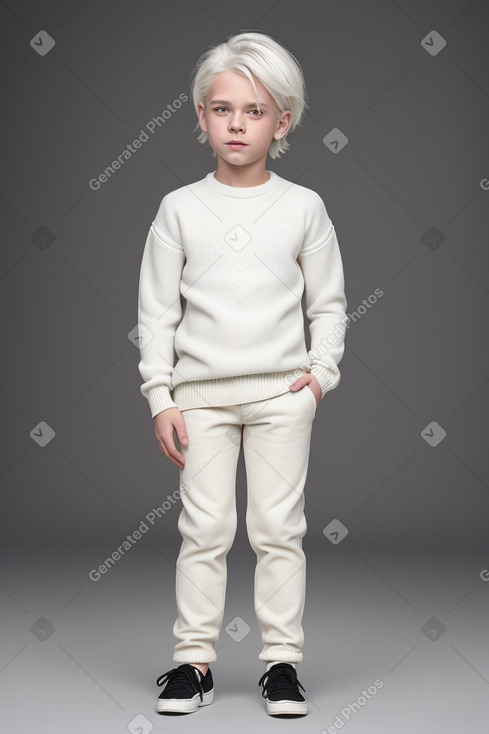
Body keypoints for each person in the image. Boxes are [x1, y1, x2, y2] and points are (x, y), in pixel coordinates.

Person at [137, 29, 348, 717]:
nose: (237, 123)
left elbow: (329, 304)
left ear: (281, 121)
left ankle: (280, 665)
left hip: (281, 397)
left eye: (254, 111)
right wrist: (159, 396)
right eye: (222, 108)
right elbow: (157, 314)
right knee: (203, 530)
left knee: (277, 529)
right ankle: (192, 664)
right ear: (200, 116)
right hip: (198, 400)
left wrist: (319, 376)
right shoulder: (178, 209)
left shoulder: (302, 207)